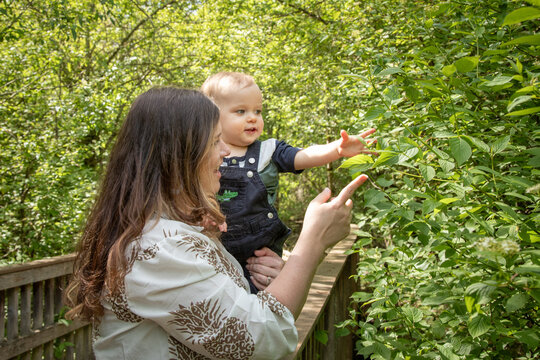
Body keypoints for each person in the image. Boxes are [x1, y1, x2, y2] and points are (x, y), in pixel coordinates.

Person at [64, 86, 368, 359]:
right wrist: (312, 242)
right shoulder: (160, 247)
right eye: (214, 142)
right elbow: (263, 341)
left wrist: (276, 278)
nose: (226, 153)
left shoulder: (168, 232)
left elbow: (237, 311)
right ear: (177, 158)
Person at [201, 72, 376, 292]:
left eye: (258, 111)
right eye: (240, 111)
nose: (252, 117)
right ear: (212, 117)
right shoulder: (203, 154)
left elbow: (304, 155)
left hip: (258, 252)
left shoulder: (268, 151)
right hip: (215, 248)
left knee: (259, 297)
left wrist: (337, 150)